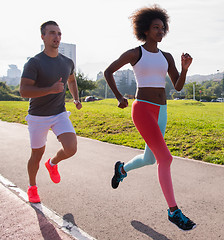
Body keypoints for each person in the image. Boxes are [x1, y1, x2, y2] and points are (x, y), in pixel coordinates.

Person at [104, 5, 196, 231]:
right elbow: (108, 71)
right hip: (143, 109)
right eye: (156, 27)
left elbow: (177, 87)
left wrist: (184, 69)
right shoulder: (135, 53)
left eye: (163, 28)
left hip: (162, 110)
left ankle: (121, 169)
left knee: (150, 159)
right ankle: (174, 211)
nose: (160, 31)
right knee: (165, 158)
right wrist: (118, 97)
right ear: (145, 29)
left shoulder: (167, 56)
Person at [20, 21, 82, 203]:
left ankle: (52, 163)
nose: (57, 37)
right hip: (38, 116)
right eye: (52, 33)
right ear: (43, 37)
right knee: (36, 154)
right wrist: (50, 89)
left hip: (59, 113)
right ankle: (32, 187)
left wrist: (76, 98)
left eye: (59, 34)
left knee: (71, 148)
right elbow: (24, 91)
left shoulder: (67, 62)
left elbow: (72, 80)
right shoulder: (34, 62)